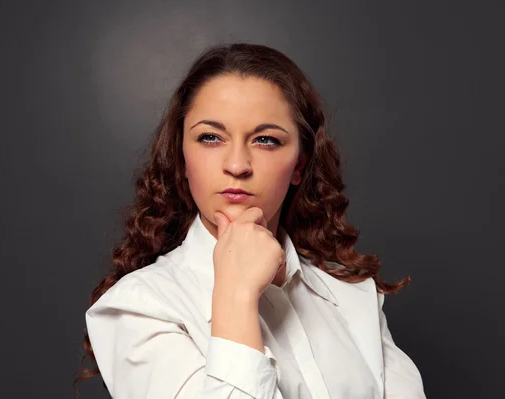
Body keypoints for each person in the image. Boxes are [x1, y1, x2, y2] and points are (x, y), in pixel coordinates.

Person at [74, 43, 425, 398]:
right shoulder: (137, 309)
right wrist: (236, 297)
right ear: (182, 158)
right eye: (211, 137)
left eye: (266, 140)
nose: (238, 164)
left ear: (299, 167)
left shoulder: (352, 295)